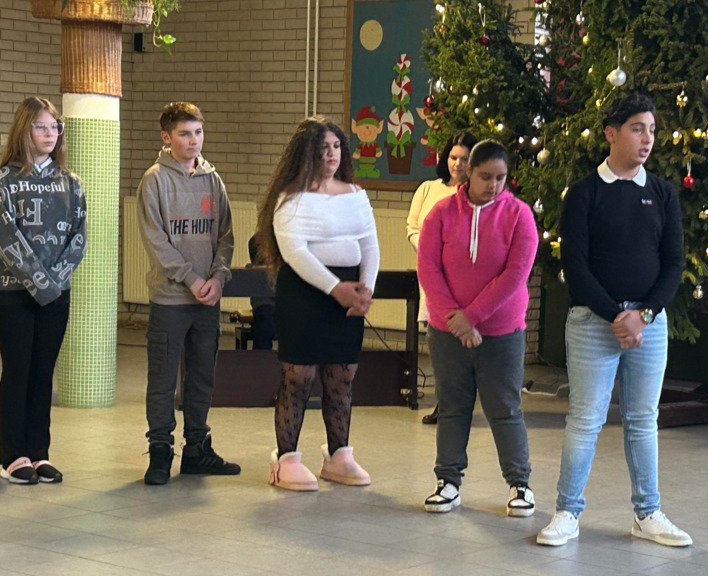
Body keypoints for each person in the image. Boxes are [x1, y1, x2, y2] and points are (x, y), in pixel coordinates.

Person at [537, 92, 690, 548]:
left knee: (643, 419)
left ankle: (647, 513)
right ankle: (567, 512)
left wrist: (643, 315)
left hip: (649, 324)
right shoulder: (585, 193)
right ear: (611, 133)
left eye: (652, 130)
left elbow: (673, 264)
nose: (647, 139)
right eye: (637, 129)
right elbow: (576, 267)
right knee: (586, 419)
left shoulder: (662, 193)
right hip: (592, 322)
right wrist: (615, 316)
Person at [254, 116, 379, 491]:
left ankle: (339, 456)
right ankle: (286, 460)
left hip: (349, 295)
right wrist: (336, 289)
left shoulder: (354, 193)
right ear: (306, 152)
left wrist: (365, 290)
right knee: (299, 377)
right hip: (305, 293)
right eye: (323, 148)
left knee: (342, 376)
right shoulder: (290, 197)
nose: (331, 154)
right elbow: (294, 252)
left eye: (337, 146)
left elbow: (369, 244)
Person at [417, 139, 538, 516]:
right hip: (448, 331)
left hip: (501, 332)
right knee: (453, 407)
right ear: (468, 171)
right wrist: (454, 318)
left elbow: (516, 274)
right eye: (486, 176)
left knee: (504, 408)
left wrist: (473, 316)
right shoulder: (440, 213)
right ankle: (448, 482)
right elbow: (429, 268)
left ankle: (520, 484)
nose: (494, 185)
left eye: (501, 178)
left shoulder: (519, 215)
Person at [138, 101, 240, 485]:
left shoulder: (213, 179)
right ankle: (160, 452)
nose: (193, 140)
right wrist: (190, 279)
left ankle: (197, 449)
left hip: (207, 299)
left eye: (198, 132)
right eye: (184, 133)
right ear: (166, 138)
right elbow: (156, 241)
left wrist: (218, 277)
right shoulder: (154, 180)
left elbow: (225, 234)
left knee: (201, 378)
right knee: (163, 379)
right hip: (171, 299)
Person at [0, 96, 87, 484]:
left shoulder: (70, 182)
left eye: (55, 127)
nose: (50, 133)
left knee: (43, 373)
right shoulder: (5, 179)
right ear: (24, 130)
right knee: (18, 371)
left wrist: (52, 285)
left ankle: (38, 452)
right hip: (12, 293)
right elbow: (5, 237)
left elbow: (79, 238)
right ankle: (13, 457)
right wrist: (41, 284)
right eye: (41, 126)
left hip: (56, 295)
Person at [407, 130, 477, 425]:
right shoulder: (428, 189)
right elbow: (413, 227)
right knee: (439, 343)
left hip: (462, 279)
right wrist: (431, 250)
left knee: (461, 344)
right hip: (433, 276)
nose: (457, 164)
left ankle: (460, 404)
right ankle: (444, 402)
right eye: (453, 157)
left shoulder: (475, 193)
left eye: (464, 159)